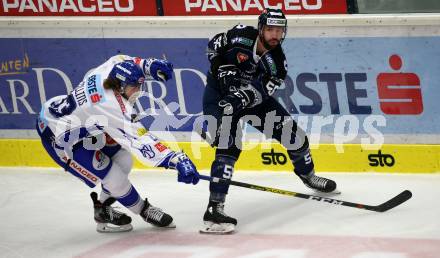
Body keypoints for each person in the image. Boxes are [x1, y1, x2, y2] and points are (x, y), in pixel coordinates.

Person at [200, 8, 338, 234]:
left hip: (252, 101)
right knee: (229, 147)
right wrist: (218, 67)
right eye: (271, 29)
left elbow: (262, 91)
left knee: (295, 137)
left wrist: (242, 97)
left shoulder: (278, 62)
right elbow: (214, 44)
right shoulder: (240, 35)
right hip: (218, 97)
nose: (275, 35)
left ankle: (309, 176)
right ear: (261, 28)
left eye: (279, 30)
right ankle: (215, 208)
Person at [36, 54, 200, 233]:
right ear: (120, 86)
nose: (138, 91)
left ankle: (102, 209)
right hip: (60, 139)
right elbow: (140, 141)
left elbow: (122, 59)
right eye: (134, 87)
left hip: (78, 124)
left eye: (140, 85)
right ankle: (143, 210)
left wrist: (149, 65)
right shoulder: (110, 106)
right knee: (114, 177)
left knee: (123, 159)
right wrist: (176, 159)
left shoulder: (108, 71)